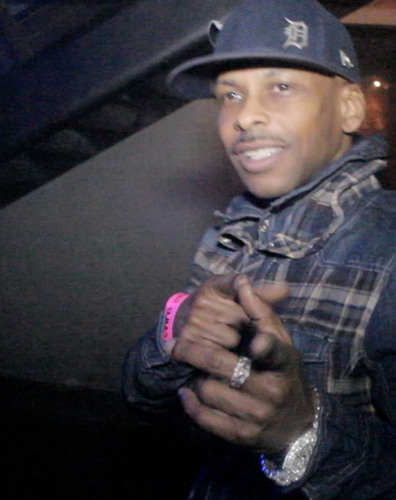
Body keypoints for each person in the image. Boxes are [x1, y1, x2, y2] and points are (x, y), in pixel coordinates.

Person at [121, 0, 396, 498]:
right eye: (229, 94)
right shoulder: (232, 230)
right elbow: (142, 403)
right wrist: (173, 332)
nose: (244, 116)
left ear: (349, 108)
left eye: (281, 86)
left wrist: (306, 432)